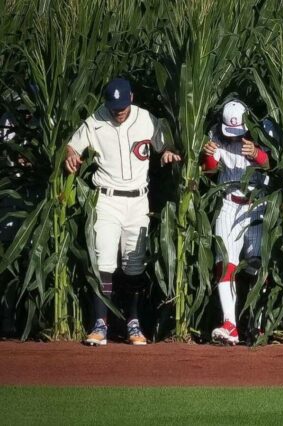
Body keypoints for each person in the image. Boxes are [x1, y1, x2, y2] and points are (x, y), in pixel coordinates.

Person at [65, 77, 181, 346]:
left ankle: (133, 323)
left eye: (122, 107)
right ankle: (100, 324)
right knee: (103, 261)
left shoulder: (146, 119)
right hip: (106, 199)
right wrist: (70, 155)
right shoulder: (95, 120)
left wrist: (168, 153)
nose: (118, 113)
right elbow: (72, 145)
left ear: (131, 98)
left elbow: (168, 145)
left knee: (134, 265)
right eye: (113, 107)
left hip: (138, 201)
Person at [201, 100, 271, 345]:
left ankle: (257, 324)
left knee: (257, 266)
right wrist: (208, 156)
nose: (234, 137)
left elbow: (277, 166)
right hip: (229, 202)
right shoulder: (216, 135)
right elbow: (209, 171)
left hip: (257, 205)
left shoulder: (262, 132)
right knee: (225, 262)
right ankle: (230, 324)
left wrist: (258, 154)